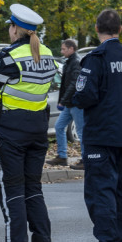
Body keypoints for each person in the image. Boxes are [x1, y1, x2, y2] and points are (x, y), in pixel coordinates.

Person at [0, 4, 57, 242]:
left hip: (11, 131)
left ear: (15, 28)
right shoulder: (47, 54)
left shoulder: (9, 56)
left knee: (13, 193)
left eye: (9, 27)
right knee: (33, 190)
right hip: (38, 131)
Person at [72, 9, 122, 242]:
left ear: (96, 29)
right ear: (120, 29)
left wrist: (74, 97)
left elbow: (85, 96)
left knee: (100, 190)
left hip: (101, 134)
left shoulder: (96, 58)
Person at [50, 38, 83, 167]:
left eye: (64, 49)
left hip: (76, 103)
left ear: (71, 49)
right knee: (58, 127)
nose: (61, 51)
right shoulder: (70, 62)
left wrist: (63, 101)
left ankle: (85, 159)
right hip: (70, 103)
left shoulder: (76, 62)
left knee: (81, 132)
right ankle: (62, 156)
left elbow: (74, 84)